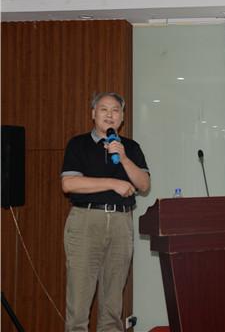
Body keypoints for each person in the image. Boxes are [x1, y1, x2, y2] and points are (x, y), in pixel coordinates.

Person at [61, 92, 150, 332]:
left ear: (122, 118)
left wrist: (123, 158)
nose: (110, 115)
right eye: (104, 109)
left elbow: (144, 184)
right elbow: (69, 184)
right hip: (85, 221)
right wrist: (112, 183)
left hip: (121, 222)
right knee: (79, 303)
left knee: (112, 304)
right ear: (93, 114)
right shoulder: (78, 144)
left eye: (115, 110)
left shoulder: (131, 147)